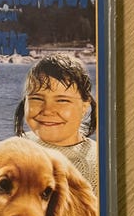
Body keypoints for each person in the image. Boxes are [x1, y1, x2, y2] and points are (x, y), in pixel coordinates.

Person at [14, 54, 98, 194]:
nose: (47, 110)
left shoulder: (95, 166)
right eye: (37, 99)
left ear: (84, 107)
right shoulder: (19, 143)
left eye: (62, 100)